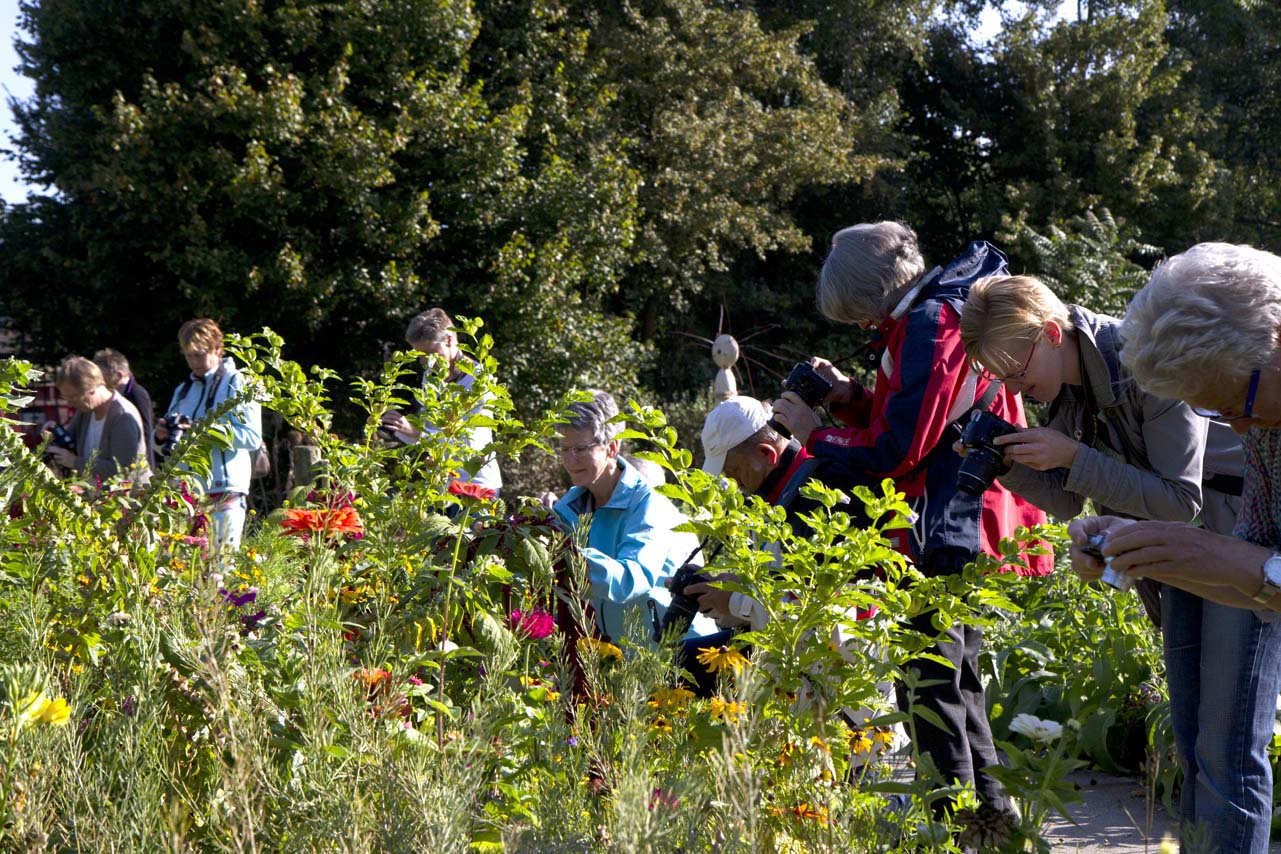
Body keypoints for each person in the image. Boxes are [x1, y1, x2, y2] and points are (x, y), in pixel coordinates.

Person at [960, 272, 1274, 852]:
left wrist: (1073, 454)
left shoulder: (1148, 362)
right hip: (1172, 557)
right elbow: (1068, 497)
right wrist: (1014, 464)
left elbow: (1180, 501)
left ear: (1051, 333)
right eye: (1002, 379)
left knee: (1226, 749)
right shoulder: (1068, 390)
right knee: (1192, 741)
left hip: (1239, 534)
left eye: (1017, 371)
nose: (1018, 388)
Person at [769, 222, 1052, 819]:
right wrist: (848, 398)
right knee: (954, 679)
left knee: (928, 685)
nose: (862, 328)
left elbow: (896, 450)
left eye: (858, 317)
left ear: (872, 295)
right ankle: (987, 820)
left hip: (947, 523)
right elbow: (919, 421)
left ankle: (950, 824)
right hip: (964, 516)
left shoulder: (928, 325)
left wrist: (814, 435)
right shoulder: (937, 312)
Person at [1066, 243, 1281, 853]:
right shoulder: (1268, 426)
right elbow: (1266, 586)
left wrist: (1222, 558)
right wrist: (1154, 551)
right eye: (1211, 410)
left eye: (1235, 401)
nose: (1235, 429)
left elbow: (1260, 570)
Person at [550, 391, 717, 645]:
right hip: (619, 660)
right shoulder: (569, 508)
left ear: (612, 447)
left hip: (676, 656)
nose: (570, 460)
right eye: (564, 449)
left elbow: (632, 578)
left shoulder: (647, 504)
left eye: (580, 449)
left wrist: (567, 554)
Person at [155, 318, 262, 551]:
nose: (194, 362)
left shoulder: (238, 382)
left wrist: (203, 431)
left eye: (199, 354)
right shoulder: (183, 389)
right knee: (186, 575)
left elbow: (252, 437)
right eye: (188, 356)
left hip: (225, 492)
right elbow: (168, 444)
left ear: (217, 349)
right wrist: (161, 435)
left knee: (220, 571)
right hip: (187, 496)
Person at [379, 309, 502, 495]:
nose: (425, 362)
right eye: (419, 355)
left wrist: (416, 432)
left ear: (450, 340)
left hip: (475, 484)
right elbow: (428, 432)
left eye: (430, 353)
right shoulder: (430, 376)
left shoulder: (479, 378)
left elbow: (471, 442)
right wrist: (397, 428)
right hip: (440, 485)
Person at [44, 356, 149, 483]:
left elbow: (121, 470)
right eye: (66, 398)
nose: (71, 404)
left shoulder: (123, 417)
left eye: (73, 397)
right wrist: (54, 434)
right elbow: (70, 443)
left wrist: (74, 462)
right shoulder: (85, 410)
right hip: (97, 497)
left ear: (92, 389)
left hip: (130, 498)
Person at [94, 348, 156, 472]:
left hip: (138, 468)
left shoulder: (137, 394)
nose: (99, 382)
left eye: (102, 376)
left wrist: (147, 467)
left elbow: (146, 432)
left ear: (119, 375)